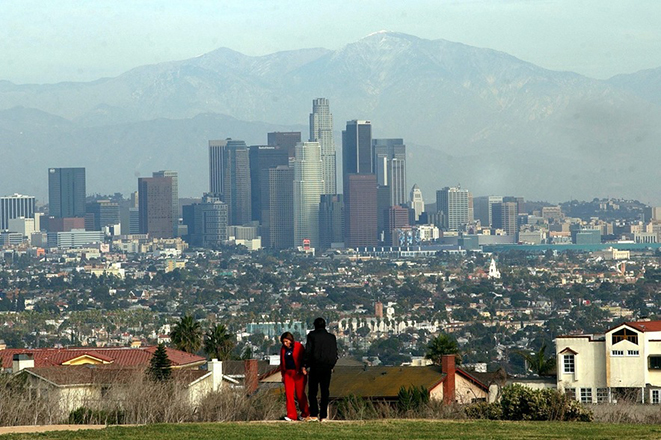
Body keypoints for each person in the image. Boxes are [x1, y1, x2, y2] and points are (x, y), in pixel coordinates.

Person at [305, 317, 337, 422]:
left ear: (315, 325)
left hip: (315, 366)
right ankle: (323, 415)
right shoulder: (331, 337)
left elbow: (308, 352)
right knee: (325, 392)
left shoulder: (312, 336)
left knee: (313, 392)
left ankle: (314, 414)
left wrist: (305, 365)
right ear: (325, 325)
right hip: (327, 367)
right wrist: (331, 365)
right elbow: (334, 353)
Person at [279, 332, 310, 422]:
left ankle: (305, 413)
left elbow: (304, 358)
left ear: (290, 340)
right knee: (289, 394)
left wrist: (304, 368)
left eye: (286, 341)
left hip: (298, 373)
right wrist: (283, 375)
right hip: (288, 373)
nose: (285, 344)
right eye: (284, 342)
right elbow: (282, 362)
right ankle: (291, 415)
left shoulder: (298, 346)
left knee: (300, 394)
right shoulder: (283, 349)